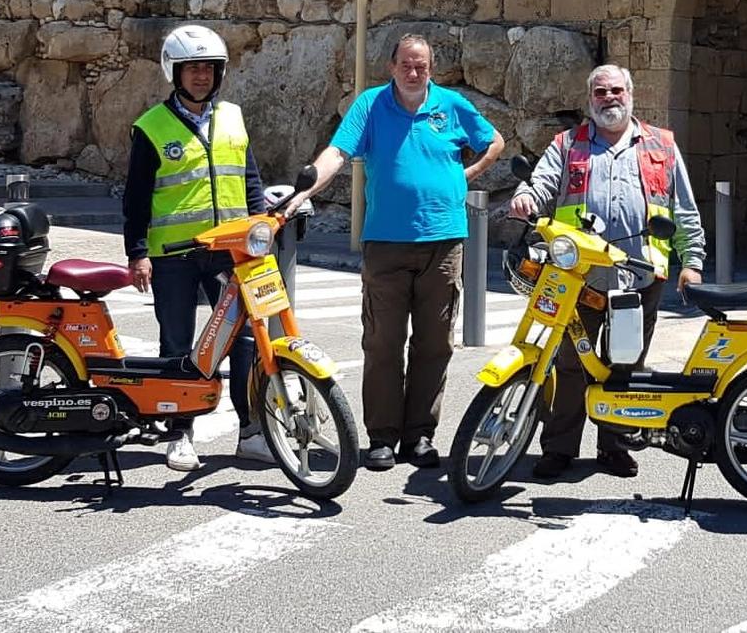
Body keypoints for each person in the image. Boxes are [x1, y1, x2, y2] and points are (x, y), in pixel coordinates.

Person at [285, 34, 505, 471]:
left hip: (443, 243)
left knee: (435, 343)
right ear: (392, 66)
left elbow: (493, 141)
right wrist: (305, 189)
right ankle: (382, 437)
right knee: (383, 342)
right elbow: (337, 153)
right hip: (385, 242)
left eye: (421, 64)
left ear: (431, 67)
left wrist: (469, 173)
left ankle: (420, 436)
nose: (413, 71)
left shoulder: (451, 105)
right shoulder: (371, 105)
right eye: (406, 63)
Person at [507, 64, 707, 479]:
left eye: (616, 90)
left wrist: (693, 262)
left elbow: (683, 209)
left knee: (626, 363)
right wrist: (526, 197)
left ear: (631, 94)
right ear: (590, 99)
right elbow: (542, 183)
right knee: (567, 365)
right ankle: (559, 448)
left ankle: (614, 446)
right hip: (578, 276)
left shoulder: (662, 145)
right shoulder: (568, 144)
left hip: (638, 276)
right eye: (600, 92)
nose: (609, 98)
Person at [123, 24, 272, 471]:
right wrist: (138, 252)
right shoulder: (151, 127)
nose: (201, 76)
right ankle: (179, 432)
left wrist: (259, 226)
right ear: (176, 72)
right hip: (174, 254)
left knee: (245, 339)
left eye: (209, 68)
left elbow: (250, 181)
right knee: (177, 342)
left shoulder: (234, 118)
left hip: (230, 251)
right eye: (192, 69)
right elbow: (135, 196)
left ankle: (250, 431)